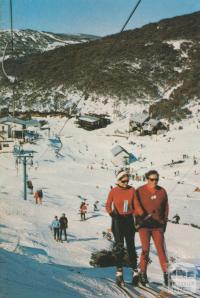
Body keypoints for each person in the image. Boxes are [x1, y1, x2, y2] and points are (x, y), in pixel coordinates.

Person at [105, 170, 143, 287]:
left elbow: (137, 206)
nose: (126, 183)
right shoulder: (114, 191)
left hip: (129, 221)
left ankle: (135, 272)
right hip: (117, 221)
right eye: (123, 181)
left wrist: (139, 219)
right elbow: (107, 205)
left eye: (127, 180)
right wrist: (112, 214)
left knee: (131, 246)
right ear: (118, 180)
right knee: (119, 246)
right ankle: (119, 272)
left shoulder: (132, 190)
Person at [135, 170, 169, 286]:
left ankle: (167, 275)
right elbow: (135, 205)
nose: (154, 182)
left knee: (161, 250)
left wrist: (164, 222)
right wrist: (142, 216)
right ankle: (143, 274)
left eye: (156, 179)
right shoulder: (139, 190)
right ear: (147, 179)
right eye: (152, 179)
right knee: (145, 249)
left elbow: (166, 207)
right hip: (144, 225)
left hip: (157, 226)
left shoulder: (162, 191)